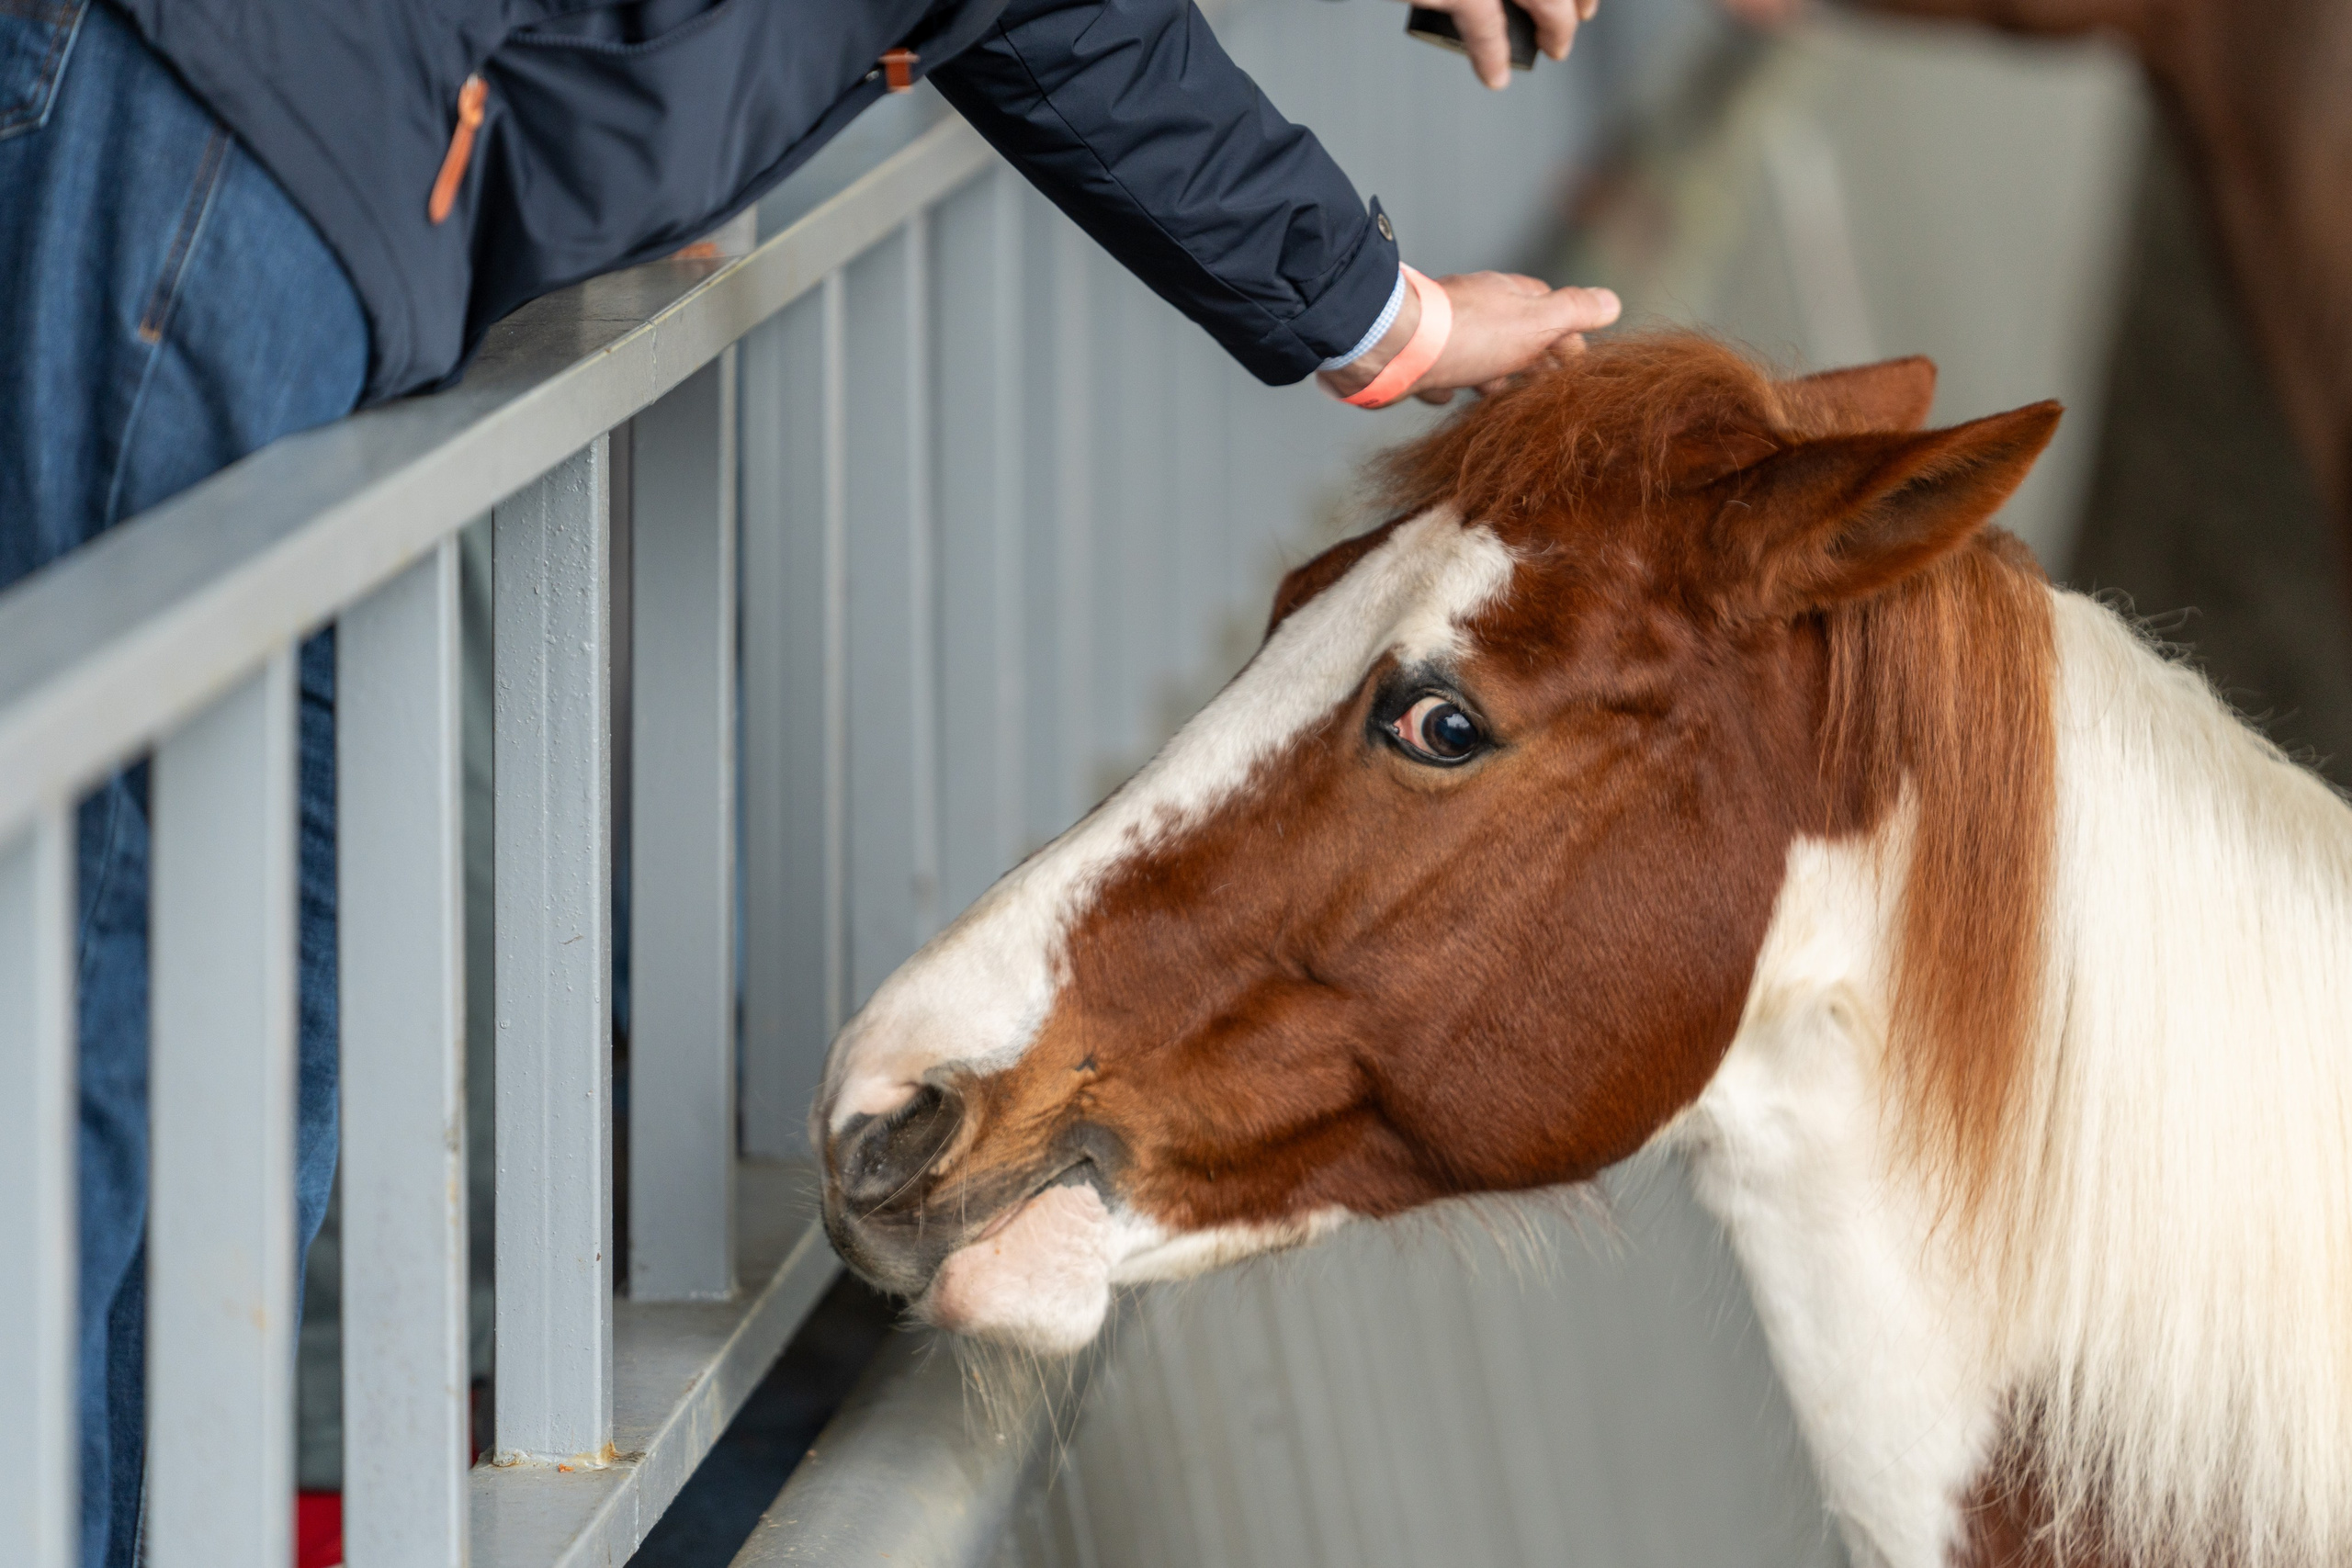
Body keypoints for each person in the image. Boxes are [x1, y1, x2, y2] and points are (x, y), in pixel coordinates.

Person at [0, 0, 1618, 1562]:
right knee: (118, 965)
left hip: (292, 146)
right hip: (251, 117)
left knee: (225, 980)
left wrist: (1388, 318)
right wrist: (1389, 319)